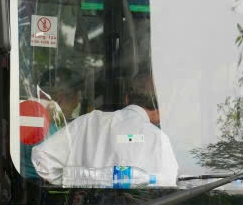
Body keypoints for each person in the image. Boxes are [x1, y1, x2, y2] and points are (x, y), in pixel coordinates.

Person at [31, 71, 179, 188]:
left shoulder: (88, 121)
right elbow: (168, 187)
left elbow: (42, 158)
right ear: (162, 106)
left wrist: (75, 182)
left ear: (127, 99)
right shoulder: (158, 139)